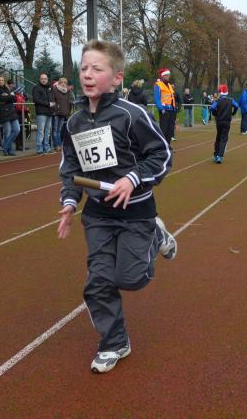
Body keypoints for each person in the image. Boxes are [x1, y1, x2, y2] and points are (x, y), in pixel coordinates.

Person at [57, 39, 175, 374]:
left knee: (131, 279)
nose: (87, 75)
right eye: (84, 68)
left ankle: (155, 235)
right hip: (98, 215)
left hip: (136, 212)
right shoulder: (74, 123)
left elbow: (162, 155)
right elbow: (71, 169)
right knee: (98, 283)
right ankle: (114, 342)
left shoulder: (132, 115)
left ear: (117, 78)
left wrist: (133, 178)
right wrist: (70, 202)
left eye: (97, 69)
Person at [210, 84, 239, 164]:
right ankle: (220, 156)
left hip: (219, 121)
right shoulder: (231, 100)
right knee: (224, 138)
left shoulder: (218, 100)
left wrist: (215, 114)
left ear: (220, 92)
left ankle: (216, 154)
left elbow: (212, 108)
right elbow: (237, 106)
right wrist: (233, 113)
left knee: (218, 137)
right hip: (227, 121)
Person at [0, 76, 19, 156]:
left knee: (17, 129)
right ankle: (9, 150)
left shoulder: (8, 89)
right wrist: (9, 96)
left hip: (12, 112)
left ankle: (5, 147)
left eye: (2, 80)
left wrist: (6, 96)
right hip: (4, 112)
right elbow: (0, 99)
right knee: (7, 132)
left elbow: (14, 99)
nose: (1, 81)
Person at [154, 68, 176, 144]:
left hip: (171, 110)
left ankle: (168, 145)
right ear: (162, 76)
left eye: (169, 75)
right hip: (164, 110)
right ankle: (162, 146)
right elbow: (157, 98)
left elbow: (171, 97)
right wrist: (161, 109)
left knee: (170, 130)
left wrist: (174, 108)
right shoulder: (158, 84)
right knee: (164, 130)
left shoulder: (169, 85)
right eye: (166, 75)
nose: (168, 76)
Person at [32, 73, 53, 154]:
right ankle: (39, 148)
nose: (44, 80)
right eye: (42, 79)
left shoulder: (49, 88)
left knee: (47, 131)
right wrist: (48, 104)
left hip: (49, 112)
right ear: (39, 79)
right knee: (41, 131)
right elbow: (36, 100)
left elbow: (52, 98)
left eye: (45, 79)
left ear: (47, 79)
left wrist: (53, 104)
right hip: (41, 112)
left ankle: (47, 148)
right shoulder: (36, 88)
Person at [51, 77, 72, 151]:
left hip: (63, 113)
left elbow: (68, 103)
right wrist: (55, 109)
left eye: (65, 82)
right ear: (59, 83)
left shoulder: (67, 91)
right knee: (55, 130)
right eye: (62, 82)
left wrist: (67, 112)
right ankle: (57, 145)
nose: (63, 84)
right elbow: (52, 101)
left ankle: (59, 145)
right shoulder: (54, 90)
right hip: (56, 113)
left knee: (59, 130)